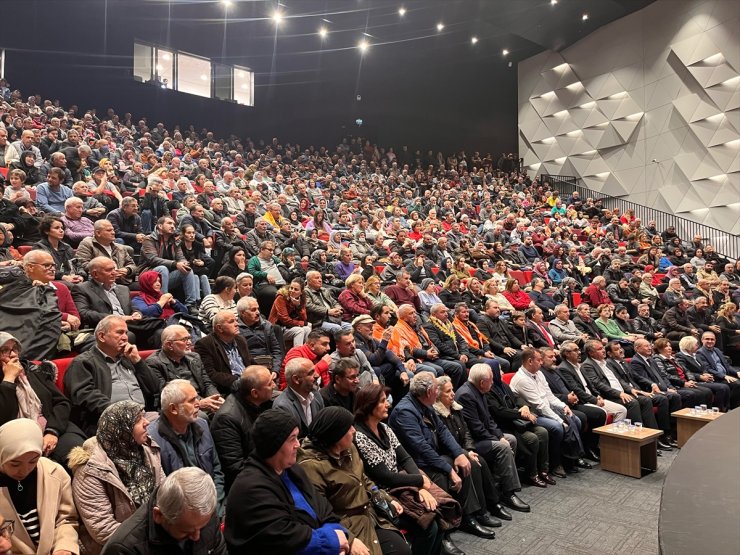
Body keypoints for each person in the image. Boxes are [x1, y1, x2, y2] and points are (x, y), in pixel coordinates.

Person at [389, 372, 506, 540]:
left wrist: (459, 453)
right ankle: (446, 533)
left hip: (432, 455)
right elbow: (421, 448)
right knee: (445, 471)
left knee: (469, 462)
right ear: (429, 392)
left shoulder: (425, 404)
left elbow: (443, 431)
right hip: (416, 464)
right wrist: (449, 469)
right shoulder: (405, 412)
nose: (438, 392)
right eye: (437, 388)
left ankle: (474, 514)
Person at [224, 409, 350, 554]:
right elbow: (283, 539)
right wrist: (331, 541)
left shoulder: (293, 470)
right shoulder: (251, 488)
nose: (298, 444)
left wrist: (335, 535)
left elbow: (324, 510)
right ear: (274, 445)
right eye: (292, 439)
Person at [353, 383, 459, 555]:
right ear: (368, 406)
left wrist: (421, 486)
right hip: (383, 494)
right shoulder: (359, 436)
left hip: (401, 486)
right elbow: (384, 476)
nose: (388, 404)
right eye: (382, 401)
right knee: (428, 525)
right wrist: (418, 481)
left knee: (437, 512)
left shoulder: (384, 428)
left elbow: (405, 457)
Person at [298, 406, 412, 555]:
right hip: (345, 524)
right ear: (336, 435)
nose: (354, 431)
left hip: (369, 514)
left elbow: (363, 479)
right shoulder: (311, 467)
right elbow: (320, 513)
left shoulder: (349, 447)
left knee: (404, 547)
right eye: (348, 428)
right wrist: (349, 538)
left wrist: (384, 498)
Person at [68, 400, 165, 555]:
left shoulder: (147, 451)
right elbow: (102, 529)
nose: (147, 422)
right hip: (118, 548)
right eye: (138, 420)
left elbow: (165, 495)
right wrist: (154, 537)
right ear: (121, 429)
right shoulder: (89, 471)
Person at [64, 315, 159, 437]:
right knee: (161, 433)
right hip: (110, 421)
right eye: (119, 333)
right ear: (101, 336)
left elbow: (155, 388)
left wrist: (138, 361)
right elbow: (84, 395)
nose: (125, 337)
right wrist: (121, 413)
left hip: (144, 415)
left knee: (181, 422)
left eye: (126, 332)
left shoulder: (129, 359)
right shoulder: (83, 362)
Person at [0, 332, 85, 466]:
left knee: (82, 459)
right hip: (18, 439)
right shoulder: (5, 382)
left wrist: (52, 432)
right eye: (4, 350)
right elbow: (4, 418)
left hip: (53, 427)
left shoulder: (32, 372)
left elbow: (61, 402)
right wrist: (8, 380)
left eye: (14, 349)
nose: (13, 354)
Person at [453, 365, 531, 509]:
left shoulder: (478, 390)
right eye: (491, 380)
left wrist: (500, 435)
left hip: (483, 436)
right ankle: (509, 493)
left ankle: (500, 483)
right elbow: (476, 428)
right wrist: (497, 440)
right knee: (503, 446)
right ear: (482, 382)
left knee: (510, 439)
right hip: (472, 442)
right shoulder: (466, 395)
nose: (493, 382)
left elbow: (489, 420)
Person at [100, 467, 226, 555]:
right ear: (158, 515)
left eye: (202, 527)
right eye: (186, 531)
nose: (197, 536)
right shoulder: (124, 549)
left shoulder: (203, 515)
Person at [0, 418, 80, 555]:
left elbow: (66, 519)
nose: (24, 470)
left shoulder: (55, 473)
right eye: (14, 463)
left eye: (33, 461)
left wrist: (64, 547)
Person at [147, 380, 225, 516]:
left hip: (212, 502)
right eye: (192, 400)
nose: (198, 404)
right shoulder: (152, 440)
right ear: (173, 409)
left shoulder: (203, 425)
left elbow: (217, 470)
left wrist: (215, 505)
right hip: (182, 513)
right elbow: (163, 491)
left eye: (197, 398)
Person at [210, 365, 275, 492]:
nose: (274, 385)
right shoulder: (227, 419)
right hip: (247, 486)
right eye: (270, 383)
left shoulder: (263, 403)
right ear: (255, 393)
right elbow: (235, 468)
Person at [145, 325, 223, 416]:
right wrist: (198, 403)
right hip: (179, 406)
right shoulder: (154, 363)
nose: (190, 343)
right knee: (202, 416)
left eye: (189, 338)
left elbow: (207, 383)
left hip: (203, 400)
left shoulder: (194, 357)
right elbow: (167, 394)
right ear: (170, 345)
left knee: (227, 409)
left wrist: (216, 398)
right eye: (184, 340)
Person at [139, 216, 200, 310]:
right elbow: (153, 259)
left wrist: (184, 263)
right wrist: (175, 264)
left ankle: (191, 305)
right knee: (163, 268)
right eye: (169, 223)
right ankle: (164, 302)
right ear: (160, 226)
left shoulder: (175, 241)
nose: (172, 226)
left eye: (173, 224)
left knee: (187, 269)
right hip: (148, 275)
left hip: (166, 276)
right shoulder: (149, 239)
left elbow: (181, 257)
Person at [194, 310, 252, 396]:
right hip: (229, 388)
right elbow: (210, 373)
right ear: (219, 328)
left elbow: (250, 361)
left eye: (236, 320)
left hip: (250, 382)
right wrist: (240, 380)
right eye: (231, 322)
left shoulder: (240, 340)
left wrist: (263, 372)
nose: (237, 324)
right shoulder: (205, 344)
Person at [675, 335, 731, 411]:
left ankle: (725, 410)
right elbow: (686, 371)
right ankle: (718, 411)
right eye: (695, 344)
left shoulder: (696, 355)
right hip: (695, 380)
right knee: (721, 388)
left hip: (704, 378)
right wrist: (700, 377)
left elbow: (704, 367)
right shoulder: (680, 356)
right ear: (689, 346)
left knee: (726, 386)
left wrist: (706, 373)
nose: (697, 346)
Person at [273, 357, 325, 438]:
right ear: (296, 379)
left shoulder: (316, 395)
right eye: (311, 373)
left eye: (314, 370)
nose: (317, 375)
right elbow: (288, 442)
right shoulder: (282, 407)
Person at [76, 220, 137, 286]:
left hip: (122, 282)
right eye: (109, 230)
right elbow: (82, 264)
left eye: (113, 230)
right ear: (98, 233)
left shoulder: (120, 248)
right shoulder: (87, 244)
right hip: (99, 283)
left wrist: (127, 270)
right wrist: (108, 272)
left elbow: (132, 265)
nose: (113, 233)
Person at [696, 331, 740, 409]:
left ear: (715, 341)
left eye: (712, 339)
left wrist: (737, 372)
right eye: (707, 339)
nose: (710, 341)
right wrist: (724, 376)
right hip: (716, 378)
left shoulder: (717, 350)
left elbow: (726, 365)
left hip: (725, 375)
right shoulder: (700, 353)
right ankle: (733, 408)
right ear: (702, 340)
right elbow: (708, 369)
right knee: (737, 384)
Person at [268, 278, 312, 347]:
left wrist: (298, 306)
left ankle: (306, 352)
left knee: (308, 329)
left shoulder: (302, 298)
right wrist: (303, 323)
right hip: (279, 328)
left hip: (291, 326)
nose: (292, 291)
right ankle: (296, 355)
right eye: (291, 288)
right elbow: (285, 320)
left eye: (296, 289)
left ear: (301, 292)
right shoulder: (281, 297)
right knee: (299, 331)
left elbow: (304, 318)